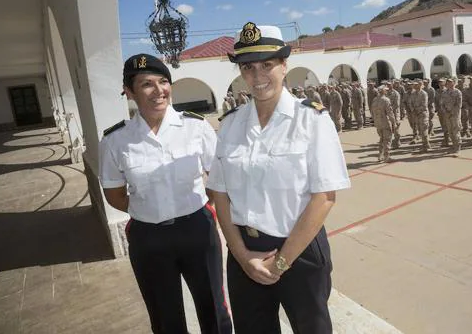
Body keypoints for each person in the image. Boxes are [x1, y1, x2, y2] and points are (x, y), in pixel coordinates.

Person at [207, 22, 351, 334]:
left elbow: (325, 197)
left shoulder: (312, 119)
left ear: (284, 65)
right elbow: (219, 194)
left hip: (298, 250)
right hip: (245, 251)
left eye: (267, 65)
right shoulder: (231, 126)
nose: (257, 76)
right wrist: (243, 257)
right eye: (248, 67)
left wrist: (281, 263)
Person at [99, 54, 232, 334]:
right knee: (164, 316)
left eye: (163, 82)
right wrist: (150, 208)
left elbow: (218, 179)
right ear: (129, 91)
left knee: (214, 308)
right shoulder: (115, 141)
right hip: (149, 238)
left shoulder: (195, 127)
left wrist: (195, 204)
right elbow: (114, 195)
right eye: (147, 84)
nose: (159, 91)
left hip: (197, 229)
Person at [372, 85, 396, 162]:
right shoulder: (386, 100)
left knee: (381, 139)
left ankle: (380, 155)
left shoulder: (375, 99)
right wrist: (394, 123)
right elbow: (390, 113)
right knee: (387, 139)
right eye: (385, 90)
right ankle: (386, 156)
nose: (387, 91)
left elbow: (373, 112)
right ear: (383, 91)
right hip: (385, 122)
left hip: (378, 123)